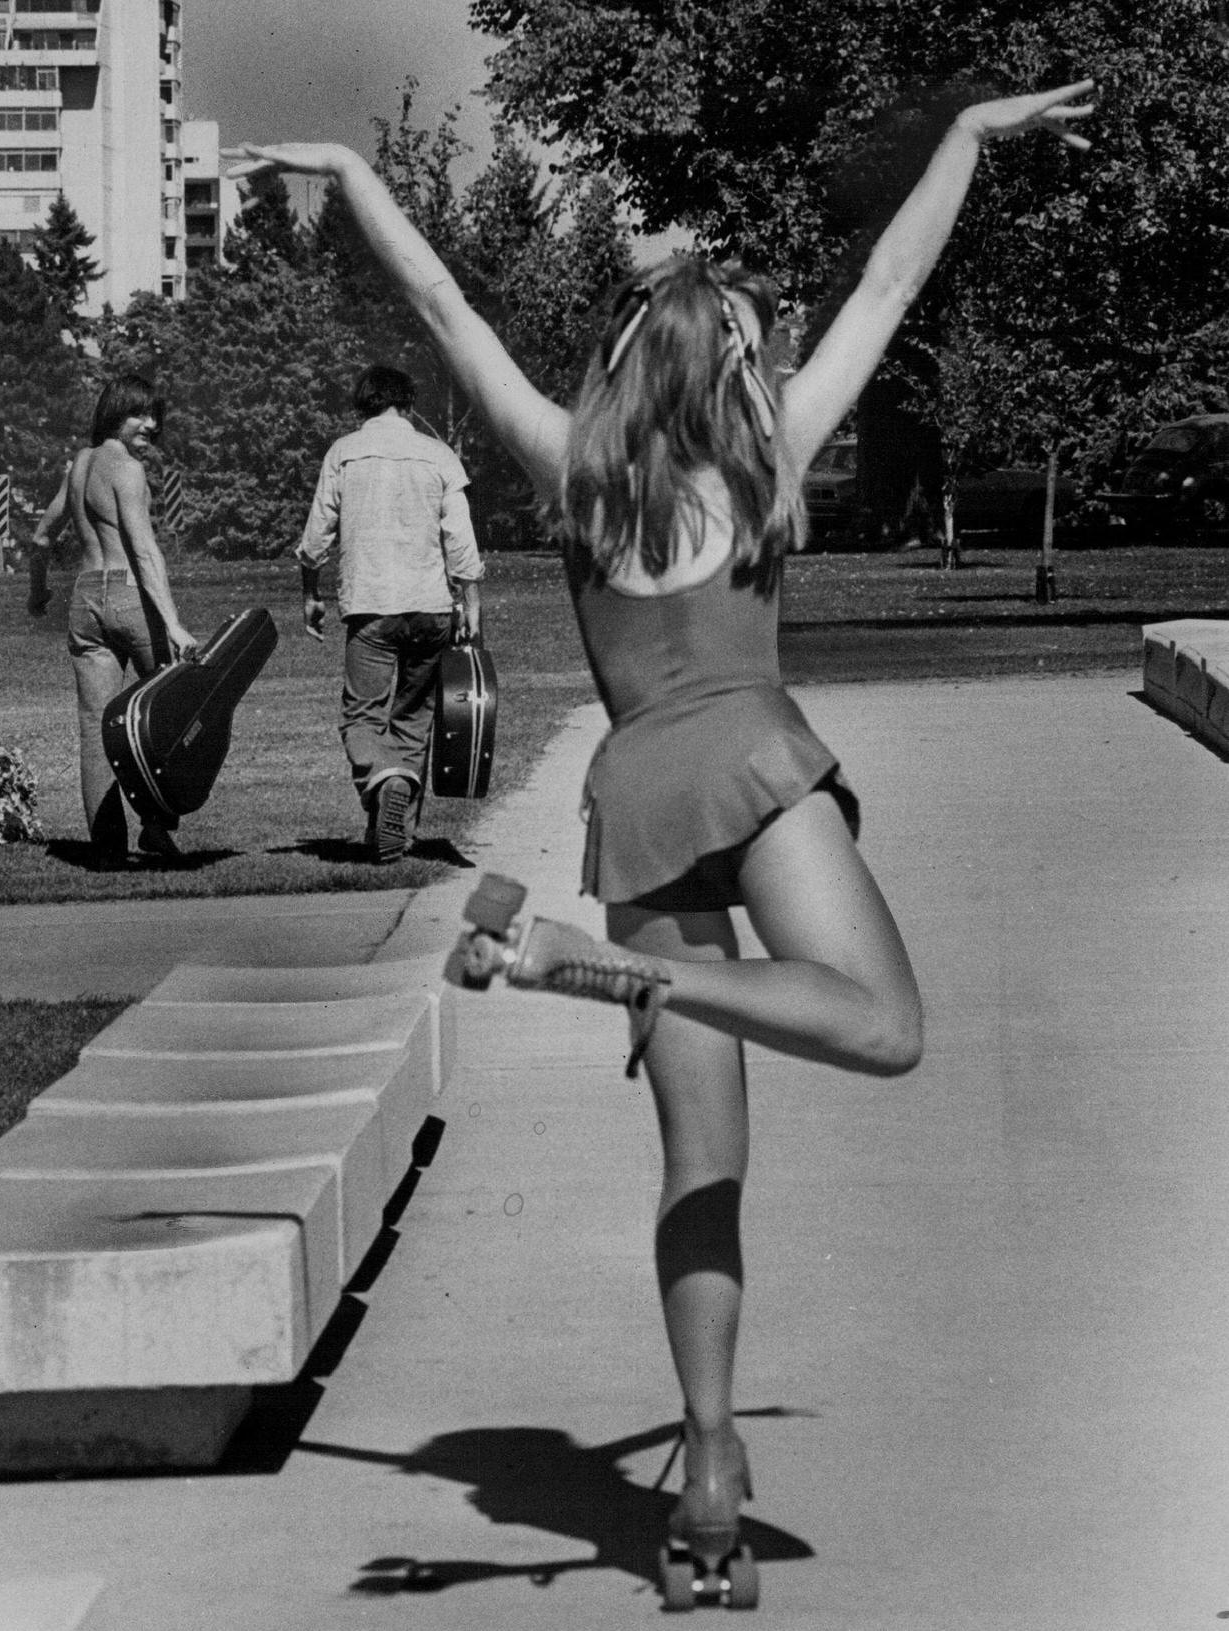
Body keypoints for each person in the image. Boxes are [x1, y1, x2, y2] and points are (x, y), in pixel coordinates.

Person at [226, 77, 1093, 1598]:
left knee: (705, 1161)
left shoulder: (571, 462)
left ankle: (702, 1451)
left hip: (638, 799)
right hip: (751, 764)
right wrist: (964, 139)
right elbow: (897, 279)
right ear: (733, 370)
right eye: (757, 349)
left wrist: (357, 173)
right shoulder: (769, 457)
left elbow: (441, 306)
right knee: (884, 1024)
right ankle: (598, 978)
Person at [296, 363, 484, 862]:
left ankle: (383, 786)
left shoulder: (344, 453)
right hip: (431, 607)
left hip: (371, 605)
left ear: (363, 404)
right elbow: (460, 541)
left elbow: (316, 538)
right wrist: (471, 605)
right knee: (414, 717)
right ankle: (397, 831)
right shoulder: (438, 454)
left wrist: (310, 594)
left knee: (361, 714)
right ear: (409, 403)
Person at [30, 374, 197, 867]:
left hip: (85, 599)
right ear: (114, 414)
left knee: (96, 726)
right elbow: (144, 551)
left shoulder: (79, 465)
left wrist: (38, 593)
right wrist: (174, 624)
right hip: (129, 596)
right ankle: (157, 828)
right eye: (139, 415)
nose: (150, 425)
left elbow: (42, 539)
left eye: (155, 417)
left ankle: (106, 849)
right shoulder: (127, 470)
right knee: (171, 714)